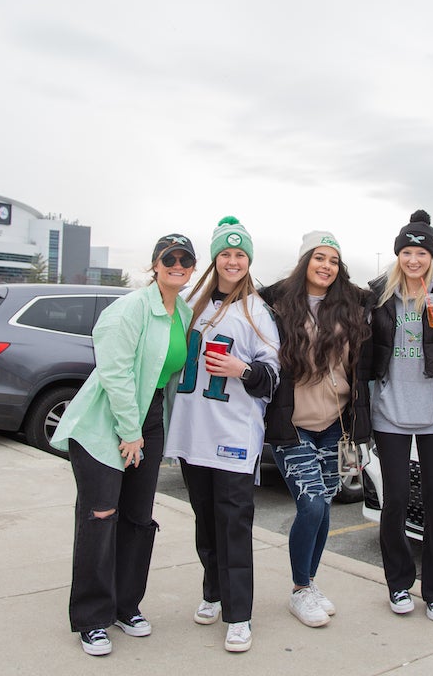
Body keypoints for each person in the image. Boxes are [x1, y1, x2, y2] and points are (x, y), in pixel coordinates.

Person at [49, 233, 197, 657]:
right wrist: (128, 431)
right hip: (105, 423)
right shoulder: (128, 310)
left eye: (186, 260)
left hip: (147, 420)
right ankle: (92, 618)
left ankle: (125, 605)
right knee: (101, 516)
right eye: (170, 257)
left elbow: (166, 378)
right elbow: (114, 376)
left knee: (137, 518)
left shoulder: (181, 312)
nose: (178, 265)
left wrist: (150, 430)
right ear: (155, 264)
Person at [164, 216, 280, 653]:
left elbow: (272, 376)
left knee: (234, 524)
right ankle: (213, 590)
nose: (233, 261)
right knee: (205, 522)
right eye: (226, 254)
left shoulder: (257, 312)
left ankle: (239, 614)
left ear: (249, 261)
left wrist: (242, 369)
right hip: (193, 432)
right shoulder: (191, 303)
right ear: (215, 259)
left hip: (233, 435)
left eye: (240, 255)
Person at [364, 209, 433, 622]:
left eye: (421, 252)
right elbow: (365, 352)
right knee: (394, 502)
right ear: (398, 255)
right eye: (407, 252)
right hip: (390, 414)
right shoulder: (379, 294)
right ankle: (398, 585)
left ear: (432, 256)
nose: (414, 260)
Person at [260, 231, 370, 628]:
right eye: (319, 258)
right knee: (310, 503)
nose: (326, 266)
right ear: (305, 260)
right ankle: (299, 589)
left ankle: (309, 583)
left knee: (324, 507)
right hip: (294, 426)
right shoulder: (275, 305)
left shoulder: (352, 305)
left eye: (334, 260)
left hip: (335, 425)